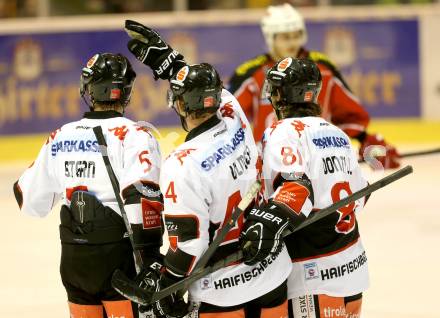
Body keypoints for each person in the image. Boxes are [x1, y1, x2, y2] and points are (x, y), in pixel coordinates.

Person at [124, 20, 292, 318]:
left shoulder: (181, 164)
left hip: (222, 290)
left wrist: (168, 284)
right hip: (272, 271)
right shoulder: (234, 115)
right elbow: (213, 92)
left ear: (179, 105)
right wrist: (170, 62)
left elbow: (190, 245)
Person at [13, 53, 163, 318]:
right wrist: (152, 261)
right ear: (126, 91)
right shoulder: (136, 136)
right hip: (120, 260)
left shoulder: (60, 136)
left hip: (75, 260)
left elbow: (28, 201)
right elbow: (142, 199)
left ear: (88, 89)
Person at [239, 57, 369, 318]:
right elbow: (361, 194)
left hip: (312, 273)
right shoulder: (337, 134)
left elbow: (295, 192)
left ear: (280, 95)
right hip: (352, 268)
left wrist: (265, 223)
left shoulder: (283, 132)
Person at [228, 3, 400, 169]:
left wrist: (368, 143)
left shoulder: (323, 69)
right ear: (270, 38)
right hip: (272, 162)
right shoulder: (251, 73)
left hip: (318, 160)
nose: (292, 42)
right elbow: (228, 118)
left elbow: (349, 115)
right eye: (285, 37)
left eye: (296, 35)